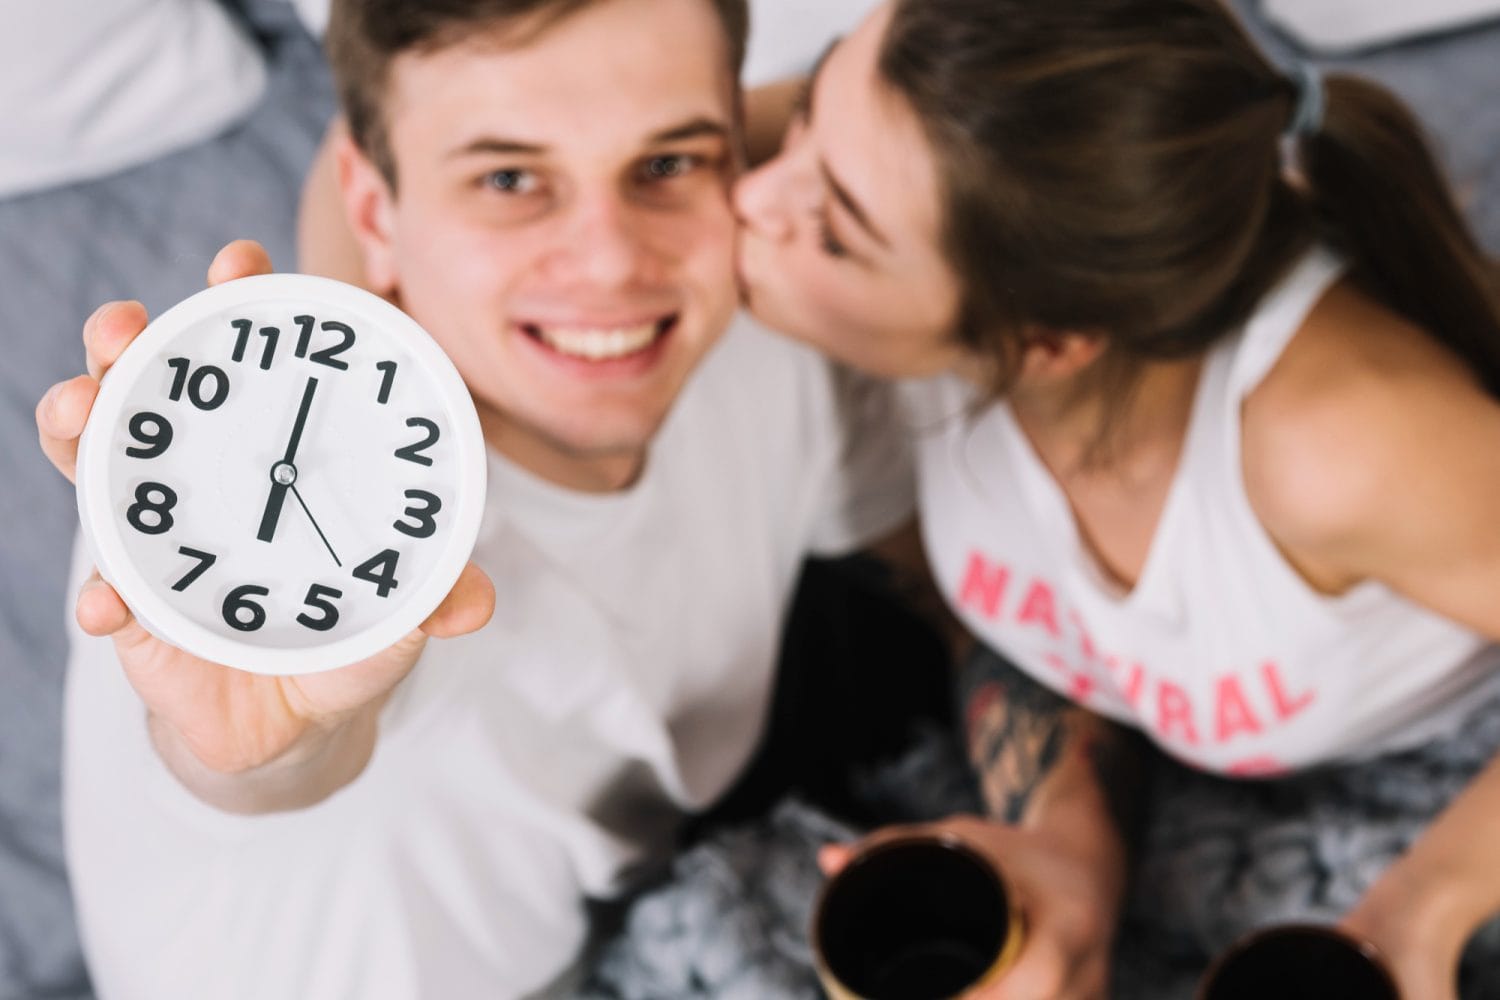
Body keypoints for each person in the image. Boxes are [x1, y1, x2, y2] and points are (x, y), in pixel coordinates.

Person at [33, 0, 924, 995]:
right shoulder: (213, 504)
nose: (611, 263)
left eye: (669, 162)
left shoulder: (770, 346)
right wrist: (261, 741)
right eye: (509, 180)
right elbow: (264, 750)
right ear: (375, 212)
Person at [730, 0, 1500, 997]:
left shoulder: (1338, 444)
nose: (751, 195)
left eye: (834, 230)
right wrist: (1069, 842)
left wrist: (1423, 911)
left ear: (1047, 343)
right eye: (805, 112)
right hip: (1182, 784)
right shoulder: (903, 165)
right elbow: (1049, 632)